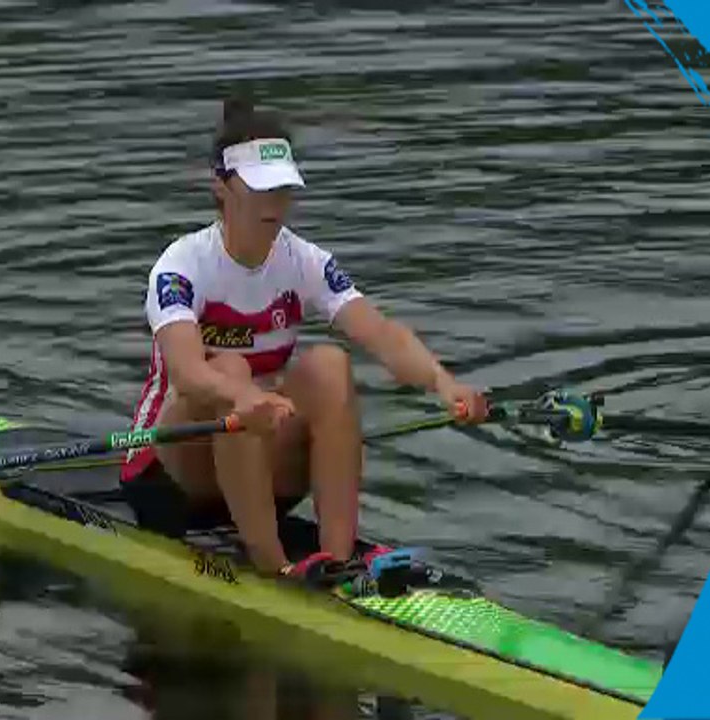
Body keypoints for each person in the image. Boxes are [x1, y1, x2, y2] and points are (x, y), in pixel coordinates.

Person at [119, 95, 488, 580]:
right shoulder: (182, 266)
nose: (275, 204)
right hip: (170, 476)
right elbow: (188, 376)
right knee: (228, 369)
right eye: (260, 190)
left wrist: (443, 383)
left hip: (255, 463)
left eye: (283, 190)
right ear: (221, 187)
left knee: (329, 365)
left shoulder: (304, 261)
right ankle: (275, 568)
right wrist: (243, 395)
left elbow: (379, 332)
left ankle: (336, 563)